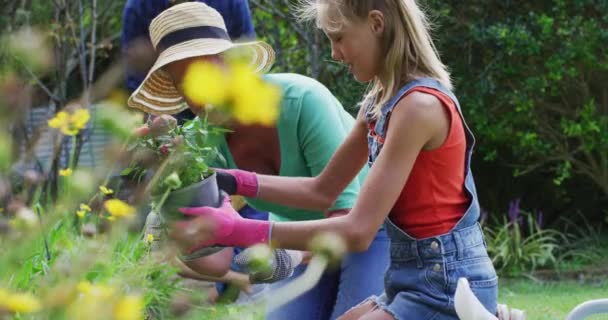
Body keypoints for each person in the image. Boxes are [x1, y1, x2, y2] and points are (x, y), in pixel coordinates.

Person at [170, 0, 499, 319]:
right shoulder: (377, 103)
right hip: (407, 277)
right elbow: (321, 190)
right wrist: (230, 179)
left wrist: (241, 230)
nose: (334, 53)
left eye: (338, 38)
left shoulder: (419, 108)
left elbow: (358, 231)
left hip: (447, 284)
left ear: (376, 24)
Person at [127, 3, 390, 319]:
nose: (200, 97)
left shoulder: (303, 102)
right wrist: (175, 196)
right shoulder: (204, 144)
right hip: (300, 242)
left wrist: (288, 254)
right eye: (187, 86)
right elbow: (217, 262)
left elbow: (346, 217)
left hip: (371, 232)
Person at [121, 0, 256, 123]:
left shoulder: (232, 3)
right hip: (170, 106)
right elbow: (135, 71)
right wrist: (156, 112)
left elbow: (244, 57)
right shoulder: (139, 6)